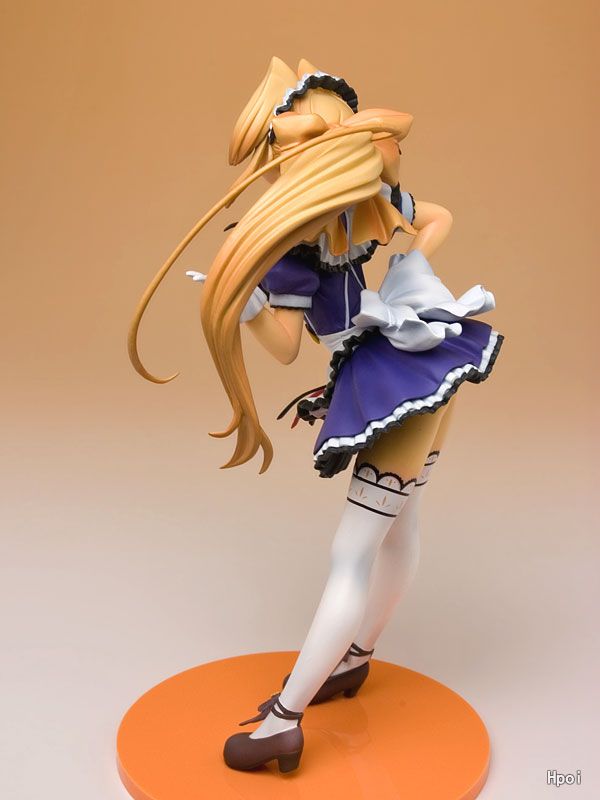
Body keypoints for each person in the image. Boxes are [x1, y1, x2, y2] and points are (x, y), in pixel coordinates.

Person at [128, 57, 504, 773]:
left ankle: (283, 721)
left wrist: (246, 302)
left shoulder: (293, 243)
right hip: (422, 360)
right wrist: (407, 262)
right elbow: (440, 218)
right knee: (402, 524)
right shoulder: (353, 209)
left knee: (354, 553)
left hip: (394, 379)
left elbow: (283, 349)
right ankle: (355, 658)